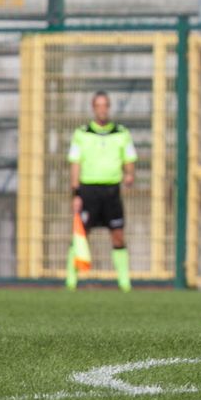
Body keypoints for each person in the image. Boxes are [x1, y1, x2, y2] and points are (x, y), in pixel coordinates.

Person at [67, 91, 137, 292]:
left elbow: (129, 158)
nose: (102, 109)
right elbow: (75, 164)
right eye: (98, 105)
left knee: (117, 235)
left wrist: (130, 174)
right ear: (93, 108)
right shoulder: (82, 133)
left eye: (105, 105)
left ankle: (124, 283)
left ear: (109, 107)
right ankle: (71, 280)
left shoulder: (121, 133)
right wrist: (76, 194)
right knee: (81, 235)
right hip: (89, 190)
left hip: (111, 191)